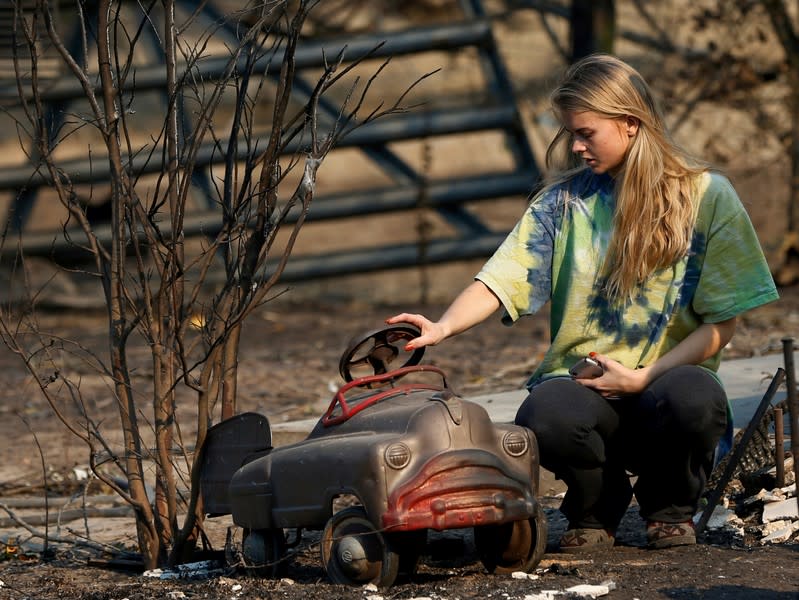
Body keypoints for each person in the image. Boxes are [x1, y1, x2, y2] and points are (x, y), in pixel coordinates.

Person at [387, 54, 779, 553]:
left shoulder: (707, 196)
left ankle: (670, 510)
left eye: (587, 132)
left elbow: (723, 325)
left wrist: (643, 377)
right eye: (572, 133)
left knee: (695, 399)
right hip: (586, 388)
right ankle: (595, 509)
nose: (576, 145)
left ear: (630, 124)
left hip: (665, 384)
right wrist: (443, 326)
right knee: (546, 413)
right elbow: (502, 277)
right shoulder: (565, 202)